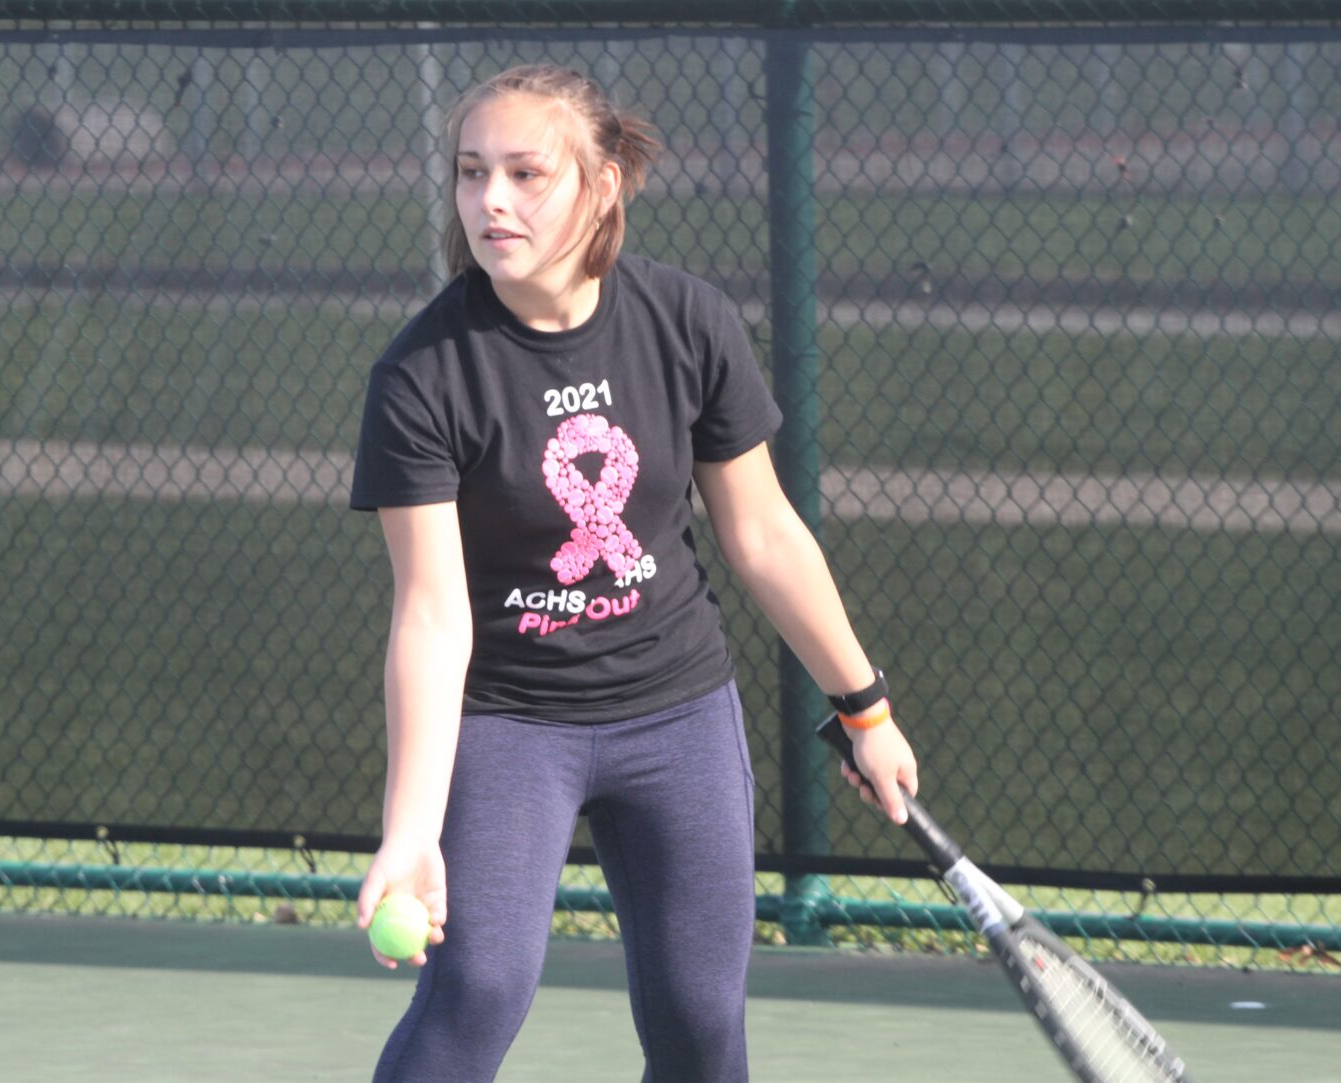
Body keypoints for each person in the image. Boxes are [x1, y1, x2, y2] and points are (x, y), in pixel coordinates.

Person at [348, 62, 919, 1082]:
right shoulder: (422, 375)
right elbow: (432, 616)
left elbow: (763, 534)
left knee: (701, 1020)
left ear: (601, 184)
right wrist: (411, 830)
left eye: (526, 173)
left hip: (675, 714)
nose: (490, 200)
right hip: (510, 722)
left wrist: (865, 708)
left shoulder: (687, 322)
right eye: (472, 172)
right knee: (478, 992)